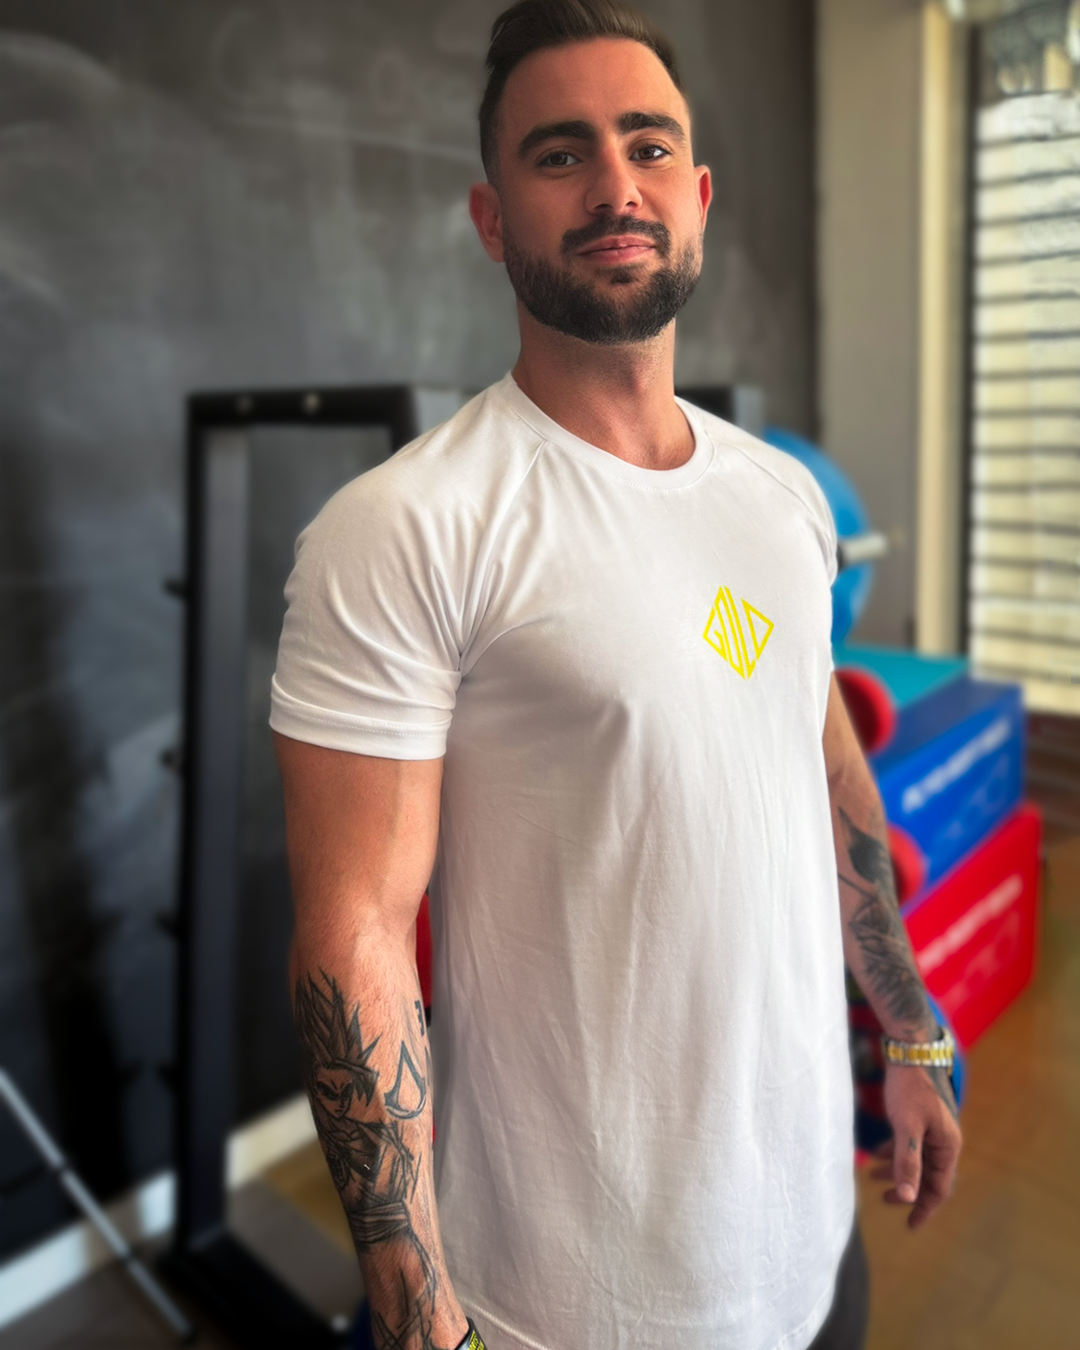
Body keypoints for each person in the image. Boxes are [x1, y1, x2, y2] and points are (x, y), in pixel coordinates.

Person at [270, 3, 963, 1348]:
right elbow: (353, 943)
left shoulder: (782, 497)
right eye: (560, 153)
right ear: (492, 219)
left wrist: (911, 1024)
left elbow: (823, 764)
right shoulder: (407, 527)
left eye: (647, 146)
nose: (614, 184)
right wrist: (421, 1322)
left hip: (814, 1248)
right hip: (574, 1304)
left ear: (697, 197)